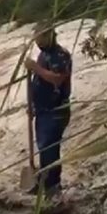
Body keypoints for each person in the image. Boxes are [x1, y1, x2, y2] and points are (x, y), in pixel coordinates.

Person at [24, 28, 72, 195]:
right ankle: (43, 181)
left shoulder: (61, 55)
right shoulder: (43, 55)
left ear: (50, 35)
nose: (39, 43)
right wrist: (31, 104)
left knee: (50, 148)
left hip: (56, 110)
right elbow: (35, 81)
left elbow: (57, 79)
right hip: (42, 109)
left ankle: (53, 185)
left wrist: (36, 67)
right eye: (36, 39)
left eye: (41, 38)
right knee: (43, 147)